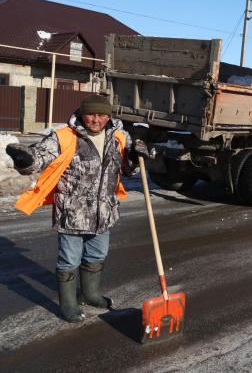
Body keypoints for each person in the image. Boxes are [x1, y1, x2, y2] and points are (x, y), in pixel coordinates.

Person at [5, 94, 147, 323]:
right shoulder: (64, 136)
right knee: (69, 260)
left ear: (108, 116)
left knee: (97, 255)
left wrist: (135, 156)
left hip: (104, 212)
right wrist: (24, 159)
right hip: (73, 212)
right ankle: (69, 303)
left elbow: (129, 170)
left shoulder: (119, 136)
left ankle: (90, 294)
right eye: (92, 114)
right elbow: (39, 157)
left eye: (102, 115)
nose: (96, 120)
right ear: (82, 113)